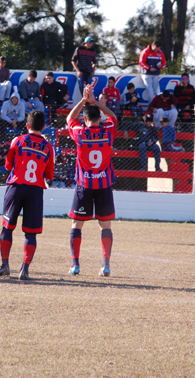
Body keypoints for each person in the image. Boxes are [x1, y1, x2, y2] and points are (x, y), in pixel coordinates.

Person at [66, 83, 117, 277]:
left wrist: (83, 101)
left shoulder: (80, 133)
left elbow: (70, 118)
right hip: (103, 184)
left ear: (85, 119)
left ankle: (75, 265)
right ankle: (105, 266)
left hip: (84, 184)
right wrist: (96, 102)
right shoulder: (107, 132)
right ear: (99, 118)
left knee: (76, 224)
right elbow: (113, 117)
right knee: (105, 226)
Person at [0, 110, 54, 280]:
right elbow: (49, 176)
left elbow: (8, 165)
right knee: (31, 233)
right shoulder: (48, 147)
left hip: (15, 187)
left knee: (7, 227)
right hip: (35, 190)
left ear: (27, 125)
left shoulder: (18, 140)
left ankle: (5, 265)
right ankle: (25, 269)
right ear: (44, 127)